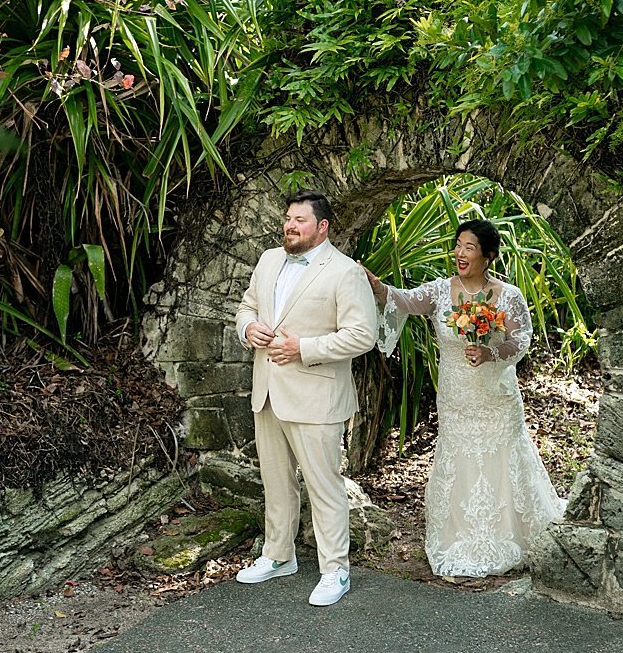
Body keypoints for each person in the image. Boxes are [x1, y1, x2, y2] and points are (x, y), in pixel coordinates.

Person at [368, 220, 564, 578]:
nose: (460, 253)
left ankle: (511, 532)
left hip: (496, 398)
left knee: (503, 455)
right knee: (458, 454)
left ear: (488, 255)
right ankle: (457, 535)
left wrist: (492, 353)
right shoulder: (441, 291)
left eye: (469, 247)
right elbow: (405, 301)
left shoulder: (508, 296)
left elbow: (521, 341)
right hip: (456, 397)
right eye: (458, 245)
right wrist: (379, 288)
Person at [232, 190, 379, 606]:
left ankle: (336, 570)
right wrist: (248, 330)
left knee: (324, 486)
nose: (289, 226)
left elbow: (362, 335)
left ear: (322, 226)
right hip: (269, 393)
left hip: (317, 397)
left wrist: (305, 349)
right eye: (287, 218)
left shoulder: (345, 272)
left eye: (299, 220)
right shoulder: (268, 260)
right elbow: (246, 307)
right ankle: (278, 556)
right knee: (276, 483)